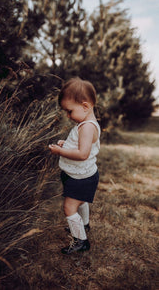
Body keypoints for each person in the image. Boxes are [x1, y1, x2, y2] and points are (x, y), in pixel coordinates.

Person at [49, 77, 100, 255]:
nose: (68, 116)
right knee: (82, 201)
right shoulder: (85, 124)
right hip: (83, 175)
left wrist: (59, 152)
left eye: (69, 111)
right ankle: (83, 225)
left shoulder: (86, 127)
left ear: (85, 106)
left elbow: (83, 154)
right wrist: (66, 144)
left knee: (69, 207)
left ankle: (81, 241)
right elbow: (79, 146)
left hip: (81, 178)